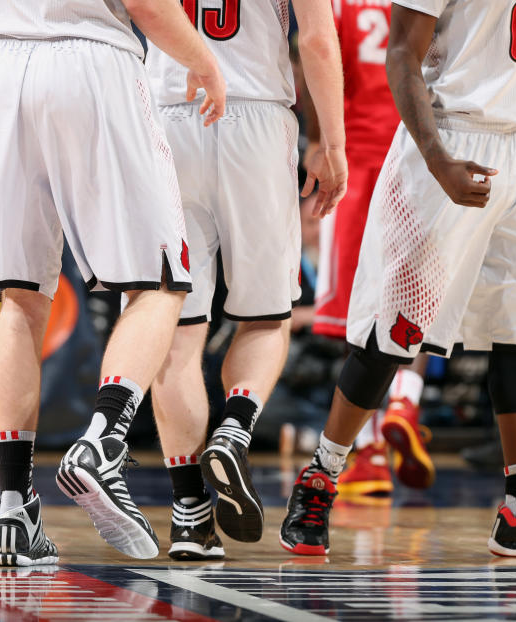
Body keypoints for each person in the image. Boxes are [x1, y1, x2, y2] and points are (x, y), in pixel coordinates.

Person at [0, 0, 226, 565]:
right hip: (92, 62)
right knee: (161, 280)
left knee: (21, 299)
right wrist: (204, 61)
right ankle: (103, 441)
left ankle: (14, 509)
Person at [280, 0, 516, 558]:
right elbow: (402, 53)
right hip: (447, 138)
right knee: (392, 334)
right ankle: (321, 478)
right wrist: (437, 158)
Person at [145, 0, 347, 560]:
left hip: (170, 111)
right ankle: (234, 428)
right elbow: (317, 41)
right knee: (265, 316)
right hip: (256, 118)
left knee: (178, 328)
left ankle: (189, 515)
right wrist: (331, 144)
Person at [311, 0, 433, 498]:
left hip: (356, 161)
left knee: (356, 317)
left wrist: (319, 144)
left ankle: (368, 448)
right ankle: (405, 400)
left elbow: (323, 63)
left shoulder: (341, 3)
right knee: (419, 299)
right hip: (417, 152)